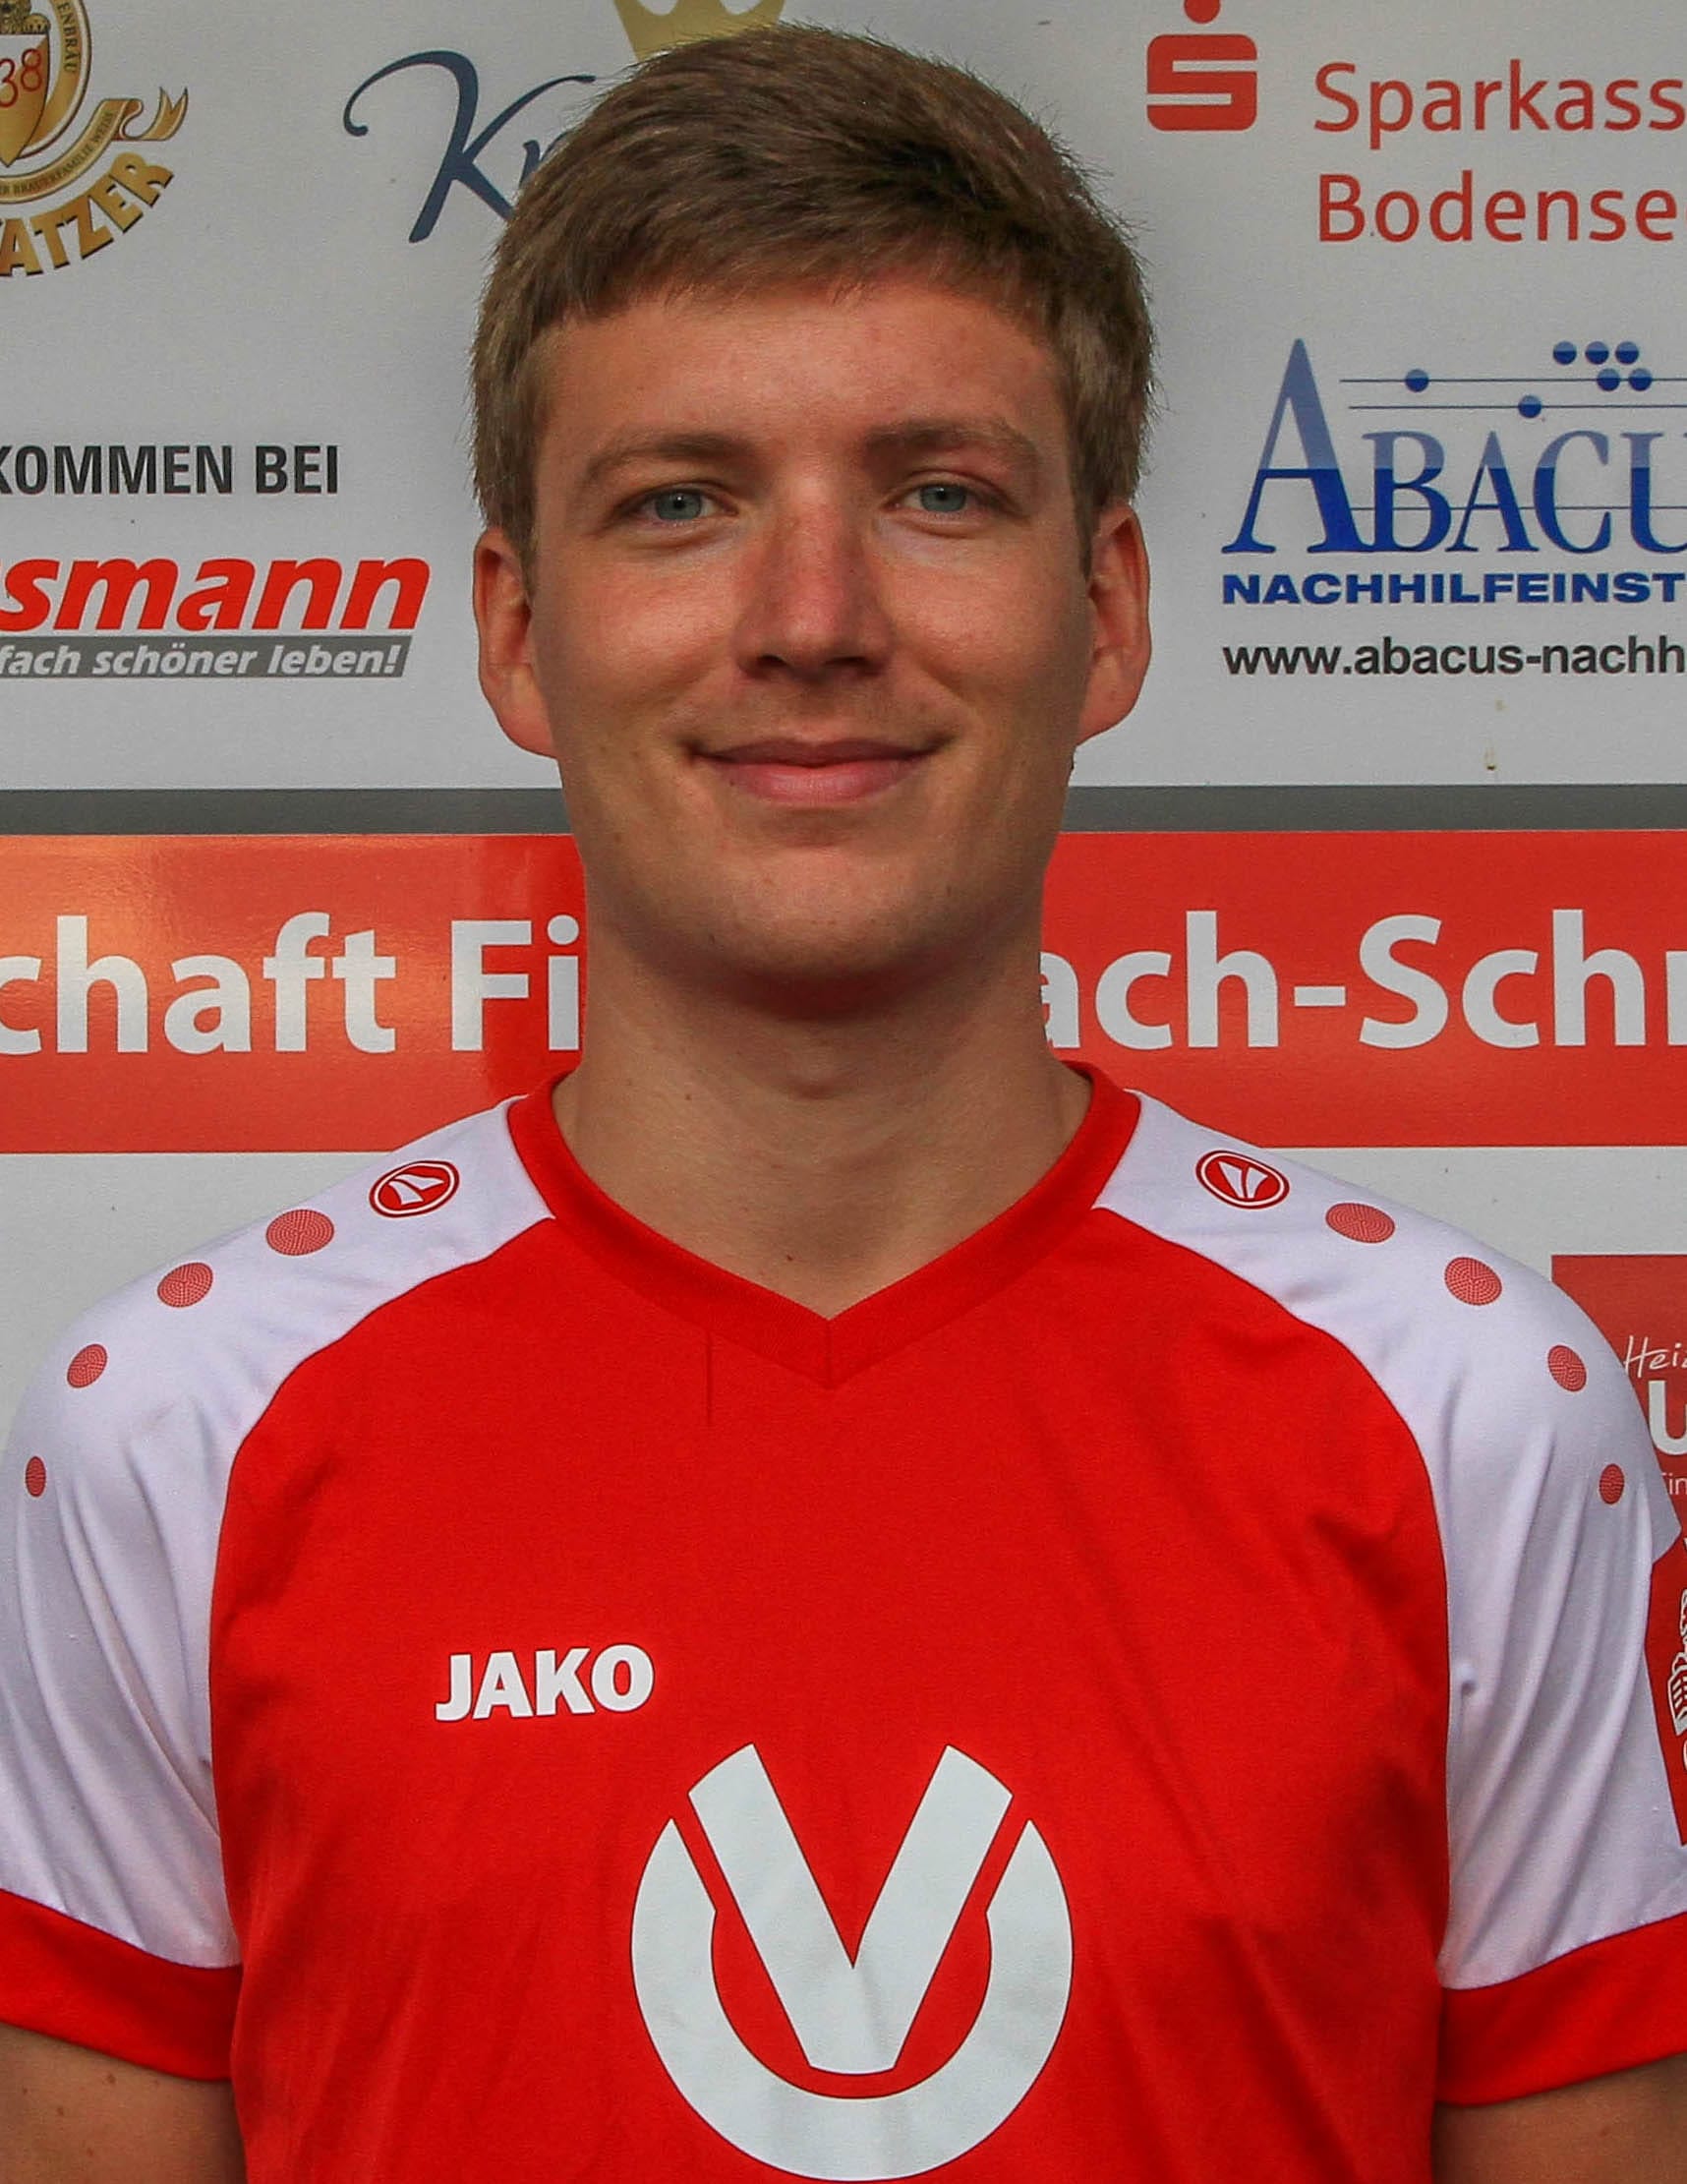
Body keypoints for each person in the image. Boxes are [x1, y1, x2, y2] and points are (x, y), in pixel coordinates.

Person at [2, 25, 1686, 2183]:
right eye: (681, 502)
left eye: (938, 493)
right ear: (517, 628)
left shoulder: (1469, 1413)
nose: (813, 618)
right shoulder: (177, 1428)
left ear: (1107, 611)